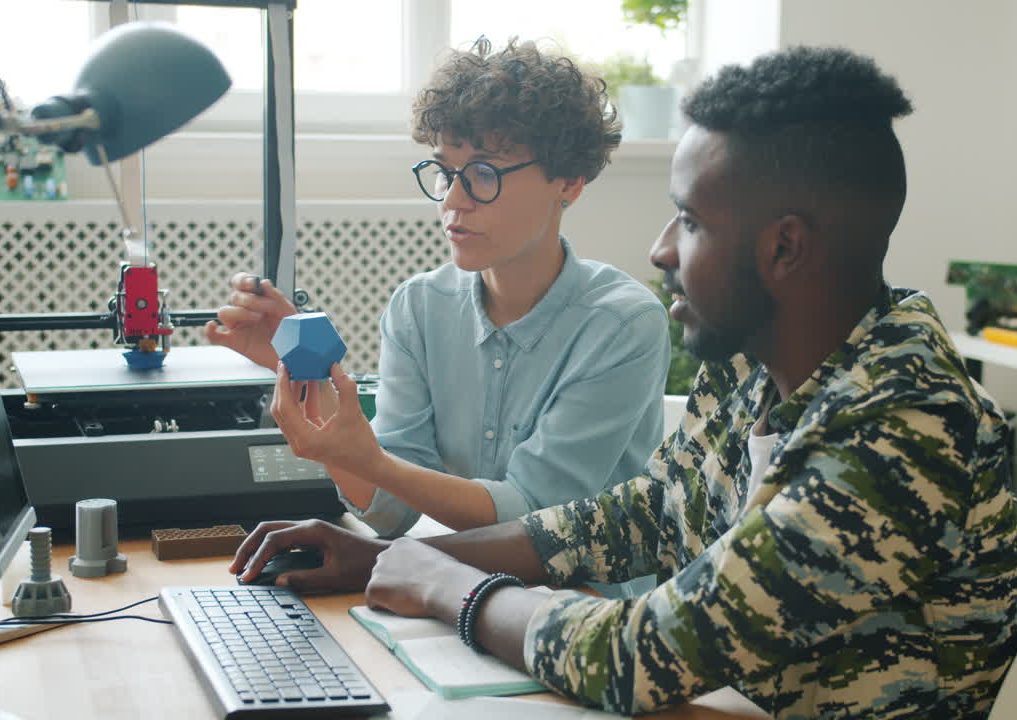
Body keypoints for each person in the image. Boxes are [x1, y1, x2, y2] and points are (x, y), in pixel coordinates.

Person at [231, 45, 1017, 718]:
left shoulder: (899, 430)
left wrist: (443, 578)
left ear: (785, 248)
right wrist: (378, 562)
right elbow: (644, 515)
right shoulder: (754, 369)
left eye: (690, 220)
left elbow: (638, 655)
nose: (659, 248)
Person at [205, 38, 669, 595]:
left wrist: (374, 472)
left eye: (483, 173)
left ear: (568, 182)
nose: (453, 199)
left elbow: (541, 521)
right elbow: (389, 512)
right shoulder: (419, 307)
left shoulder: (622, 324)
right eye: (445, 172)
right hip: (455, 594)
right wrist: (306, 376)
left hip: (586, 611)